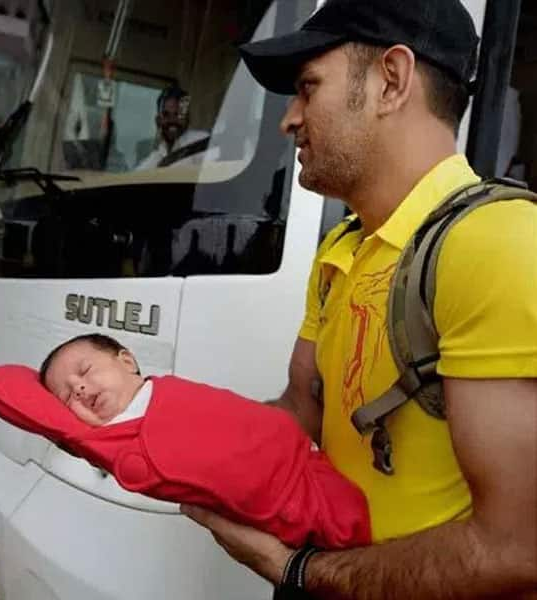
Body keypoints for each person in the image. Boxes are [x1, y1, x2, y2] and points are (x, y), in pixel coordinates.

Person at [179, 1, 537, 599]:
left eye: (307, 87)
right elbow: (303, 409)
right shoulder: (345, 245)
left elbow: (517, 547)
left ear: (390, 81)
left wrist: (300, 573)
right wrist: (148, 424)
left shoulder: (496, 246)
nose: (288, 120)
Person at [0, 333, 371, 549]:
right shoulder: (117, 441)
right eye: (66, 396)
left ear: (126, 360)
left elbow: (233, 416)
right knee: (347, 524)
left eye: (85, 369)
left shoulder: (168, 391)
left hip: (305, 453)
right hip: (293, 496)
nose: (78, 387)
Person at [134, 85, 210, 170]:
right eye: (166, 115)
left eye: (178, 115)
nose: (172, 120)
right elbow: (134, 179)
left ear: (188, 119)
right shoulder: (157, 156)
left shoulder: (201, 142)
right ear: (158, 121)